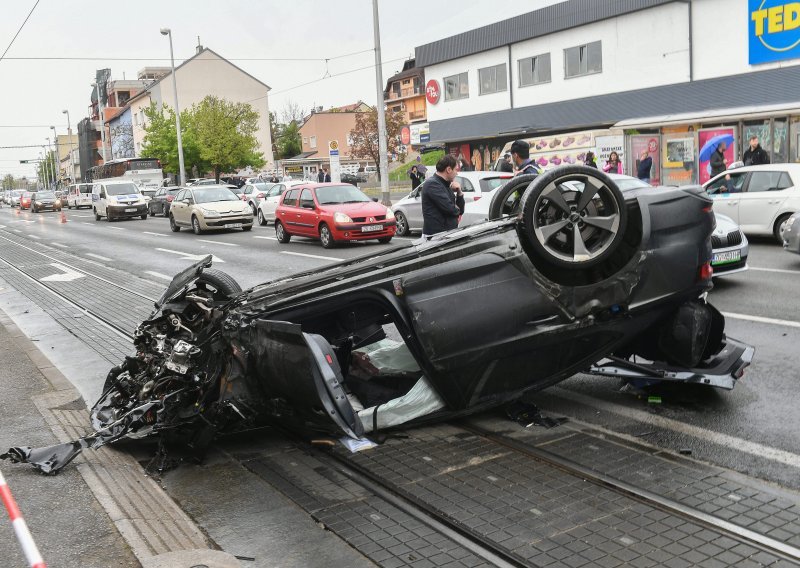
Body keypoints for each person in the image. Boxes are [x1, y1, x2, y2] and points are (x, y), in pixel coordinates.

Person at [421, 154, 464, 239]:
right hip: (435, 238)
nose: (457, 173)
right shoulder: (432, 184)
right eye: (455, 169)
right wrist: (455, 209)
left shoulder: (447, 185)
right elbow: (451, 209)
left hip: (446, 235)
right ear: (448, 169)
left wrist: (459, 193)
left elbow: (460, 211)